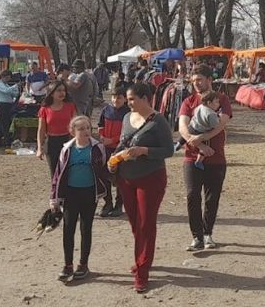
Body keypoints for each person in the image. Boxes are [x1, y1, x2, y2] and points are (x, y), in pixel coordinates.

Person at [111, 83, 174, 293]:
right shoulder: (127, 118)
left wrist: (144, 150)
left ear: (145, 98)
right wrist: (114, 156)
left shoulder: (159, 121)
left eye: (131, 99)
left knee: (146, 224)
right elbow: (122, 143)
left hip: (151, 178)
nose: (128, 103)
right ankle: (143, 257)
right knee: (135, 223)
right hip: (126, 179)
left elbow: (168, 150)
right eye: (127, 99)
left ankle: (142, 271)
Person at [178, 65, 232, 253]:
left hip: (216, 158)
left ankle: (207, 233)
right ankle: (196, 236)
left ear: (209, 79)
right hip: (191, 157)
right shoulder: (188, 101)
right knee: (192, 195)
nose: (196, 84)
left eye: (199, 79)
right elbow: (183, 128)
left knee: (212, 198)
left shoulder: (222, 99)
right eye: (193, 81)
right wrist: (199, 145)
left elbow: (222, 123)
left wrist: (202, 137)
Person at [50, 115, 109, 282]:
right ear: (72, 131)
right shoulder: (67, 150)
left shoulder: (97, 148)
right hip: (71, 194)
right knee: (68, 229)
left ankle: (83, 264)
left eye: (88, 128)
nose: (85, 131)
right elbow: (57, 174)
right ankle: (68, 265)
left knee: (86, 228)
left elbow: (103, 168)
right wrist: (54, 197)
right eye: (81, 128)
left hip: (90, 194)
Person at [97, 86, 129, 217]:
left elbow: (127, 133)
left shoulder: (128, 113)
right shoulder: (106, 110)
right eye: (114, 97)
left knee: (120, 178)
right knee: (104, 176)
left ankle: (119, 205)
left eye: (119, 97)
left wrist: (113, 140)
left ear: (125, 99)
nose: (116, 99)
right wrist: (102, 137)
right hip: (106, 148)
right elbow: (100, 125)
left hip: (120, 150)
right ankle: (107, 202)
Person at [37, 81, 78, 177]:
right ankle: (56, 192)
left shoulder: (70, 106)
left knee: (68, 173)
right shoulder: (44, 109)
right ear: (51, 93)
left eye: (63, 90)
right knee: (55, 174)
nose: (62, 93)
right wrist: (39, 148)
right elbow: (41, 130)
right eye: (58, 90)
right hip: (51, 144)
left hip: (68, 142)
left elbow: (76, 126)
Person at [178, 91, 222, 170]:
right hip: (201, 131)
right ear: (209, 103)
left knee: (185, 134)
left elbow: (194, 112)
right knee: (205, 146)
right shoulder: (212, 114)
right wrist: (218, 119)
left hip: (193, 126)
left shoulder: (200, 106)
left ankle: (178, 144)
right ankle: (199, 161)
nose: (218, 104)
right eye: (216, 102)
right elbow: (215, 125)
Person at [0, 70, 20, 147]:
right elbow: (6, 91)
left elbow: (13, 94)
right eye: (8, 77)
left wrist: (16, 90)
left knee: (3, 123)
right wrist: (15, 86)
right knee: (5, 124)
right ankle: (7, 141)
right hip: (2, 105)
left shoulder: (6, 85)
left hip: (8, 105)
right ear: (4, 76)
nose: (9, 79)